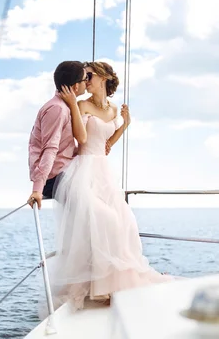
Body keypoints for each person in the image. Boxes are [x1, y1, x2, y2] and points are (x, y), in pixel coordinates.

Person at [46, 61, 172, 312]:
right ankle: (95, 286)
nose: (85, 80)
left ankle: (112, 287)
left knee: (125, 223)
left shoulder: (114, 109)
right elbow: (81, 139)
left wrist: (124, 125)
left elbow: (107, 144)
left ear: (104, 77)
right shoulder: (80, 104)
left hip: (104, 172)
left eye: (89, 75)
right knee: (106, 221)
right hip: (83, 170)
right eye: (84, 76)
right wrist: (72, 105)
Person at [26, 60, 89, 210]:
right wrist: (37, 189)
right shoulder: (57, 109)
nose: (88, 82)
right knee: (92, 210)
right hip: (54, 179)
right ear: (75, 86)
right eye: (86, 78)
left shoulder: (66, 107)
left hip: (65, 172)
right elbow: (50, 148)